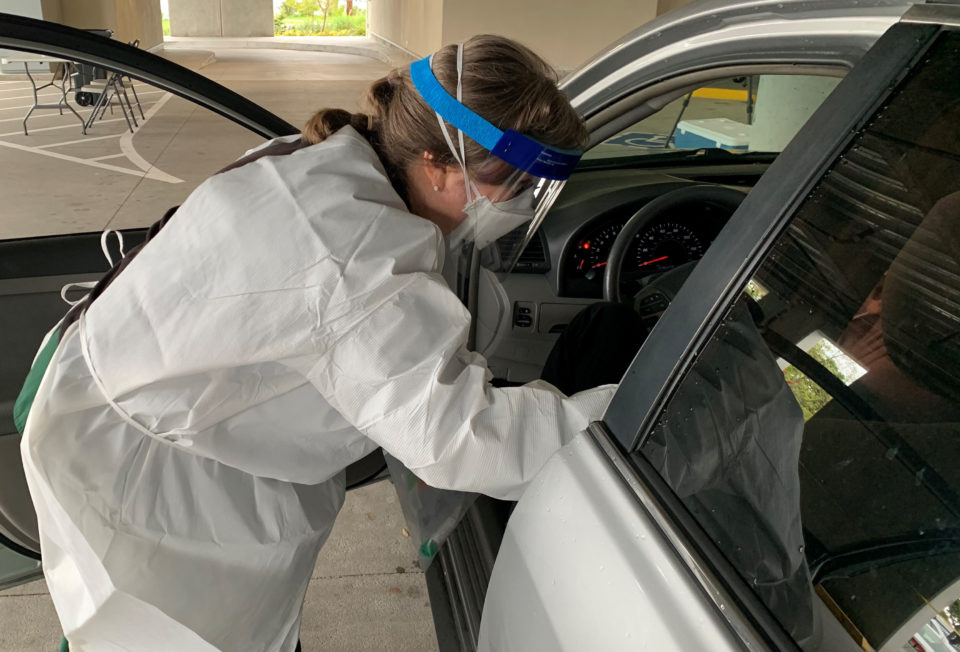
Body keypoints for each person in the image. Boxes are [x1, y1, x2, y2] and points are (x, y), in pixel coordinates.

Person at [16, 36, 615, 651]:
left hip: (120, 384)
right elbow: (464, 438)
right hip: (140, 471)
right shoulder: (359, 258)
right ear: (437, 162)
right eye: (512, 184)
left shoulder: (330, 160)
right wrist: (621, 417)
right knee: (154, 632)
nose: (518, 206)